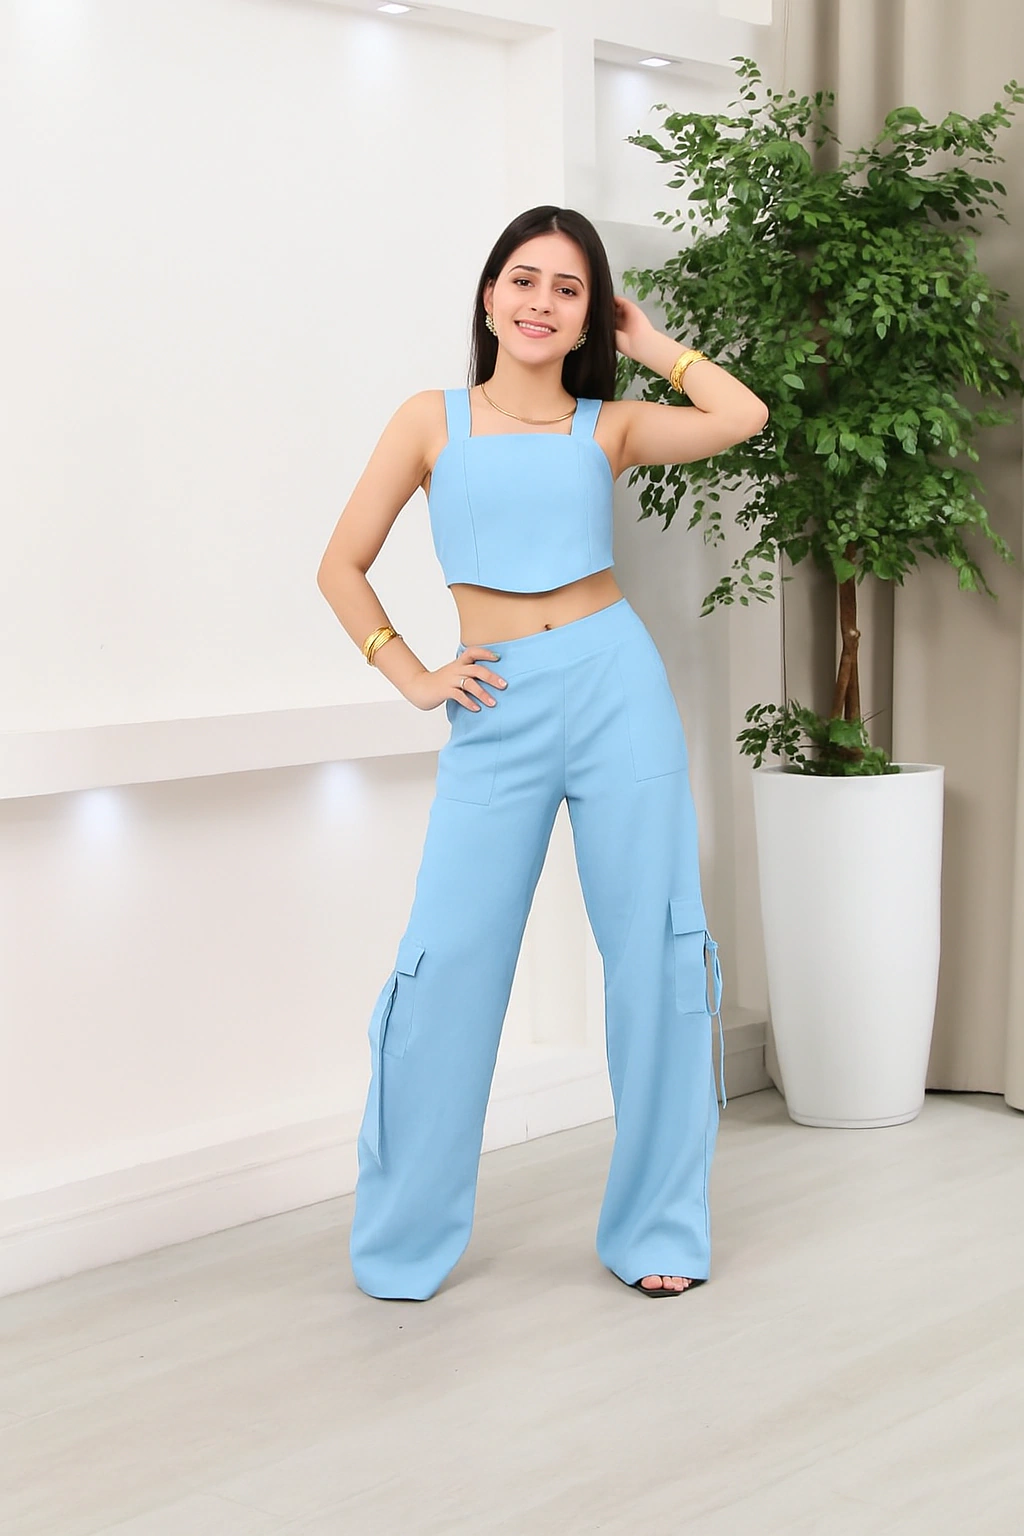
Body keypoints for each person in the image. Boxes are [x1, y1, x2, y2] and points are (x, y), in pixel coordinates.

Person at [316, 205, 768, 1302]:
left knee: (656, 957)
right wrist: (411, 673)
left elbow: (741, 415)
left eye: (569, 290)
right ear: (488, 296)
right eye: (523, 280)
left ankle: (658, 1230)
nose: (540, 303)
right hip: (495, 705)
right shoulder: (429, 420)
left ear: (587, 316)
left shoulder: (608, 425)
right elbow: (341, 565)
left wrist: (649, 342)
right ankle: (404, 1239)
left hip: (616, 689)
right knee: (446, 967)